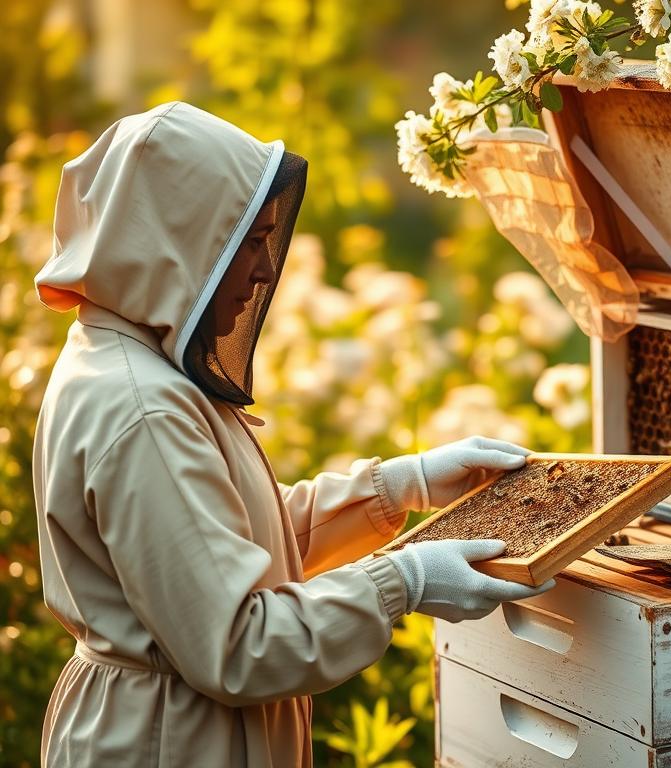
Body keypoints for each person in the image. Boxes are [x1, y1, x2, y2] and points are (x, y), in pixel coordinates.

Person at [32, 101, 554, 767]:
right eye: (250, 244)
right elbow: (239, 644)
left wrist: (400, 486)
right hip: (167, 746)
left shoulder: (132, 362)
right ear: (179, 239)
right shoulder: (145, 411)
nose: (264, 272)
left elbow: (228, 549)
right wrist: (402, 583)